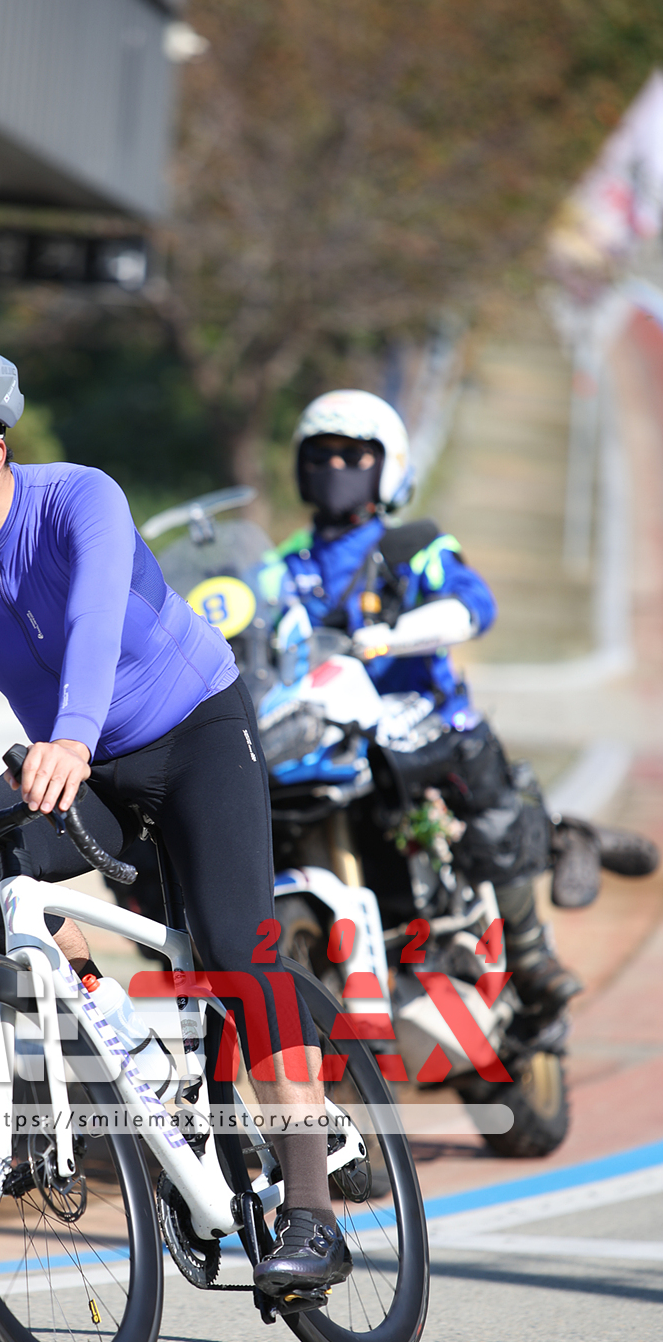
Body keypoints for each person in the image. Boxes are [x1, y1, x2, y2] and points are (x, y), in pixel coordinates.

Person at [0, 337, 350, 1299]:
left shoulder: (79, 500)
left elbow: (96, 624)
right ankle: (129, 1059)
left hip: (194, 730)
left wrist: (69, 738)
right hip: (80, 759)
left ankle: (312, 1209)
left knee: (236, 948)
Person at [268, 389, 584, 1014]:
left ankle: (528, 953)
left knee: (485, 787)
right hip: (323, 735)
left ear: (388, 467)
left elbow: (473, 605)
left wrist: (394, 635)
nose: (335, 468)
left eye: (353, 455)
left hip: (421, 722)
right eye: (321, 455)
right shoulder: (279, 566)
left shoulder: (415, 546)